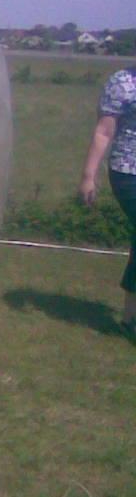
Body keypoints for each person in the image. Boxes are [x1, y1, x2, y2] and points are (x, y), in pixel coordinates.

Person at [79, 64, 136, 337]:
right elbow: (104, 132)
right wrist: (89, 176)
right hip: (128, 171)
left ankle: (129, 317)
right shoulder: (122, 82)